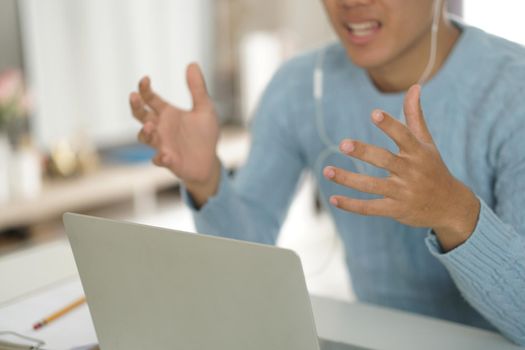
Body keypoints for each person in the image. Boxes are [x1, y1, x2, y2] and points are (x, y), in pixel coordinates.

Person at [129, 0, 525, 345]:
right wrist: (206, 181)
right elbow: (243, 255)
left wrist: (454, 213)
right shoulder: (298, 86)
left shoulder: (513, 87)